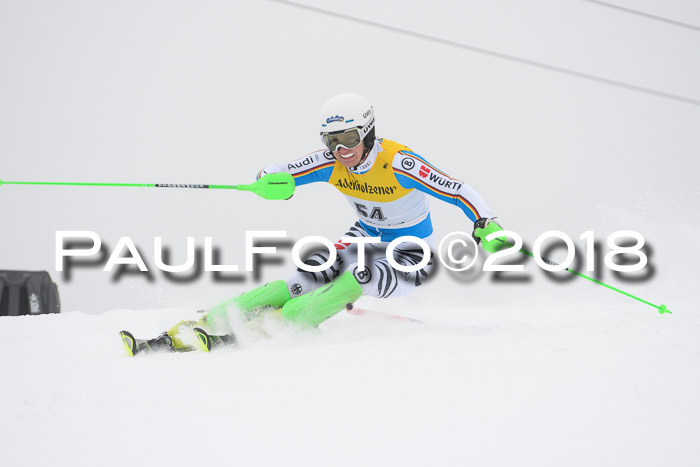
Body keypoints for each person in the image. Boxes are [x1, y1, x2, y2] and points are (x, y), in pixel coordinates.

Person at [121, 93, 504, 355]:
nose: (341, 150)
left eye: (349, 138)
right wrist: (269, 181)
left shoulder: (399, 163)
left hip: (409, 252)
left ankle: (280, 323)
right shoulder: (331, 162)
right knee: (306, 277)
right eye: (331, 141)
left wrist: (485, 222)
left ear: (368, 132)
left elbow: (457, 189)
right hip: (364, 236)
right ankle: (210, 320)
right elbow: (282, 171)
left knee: (358, 277)